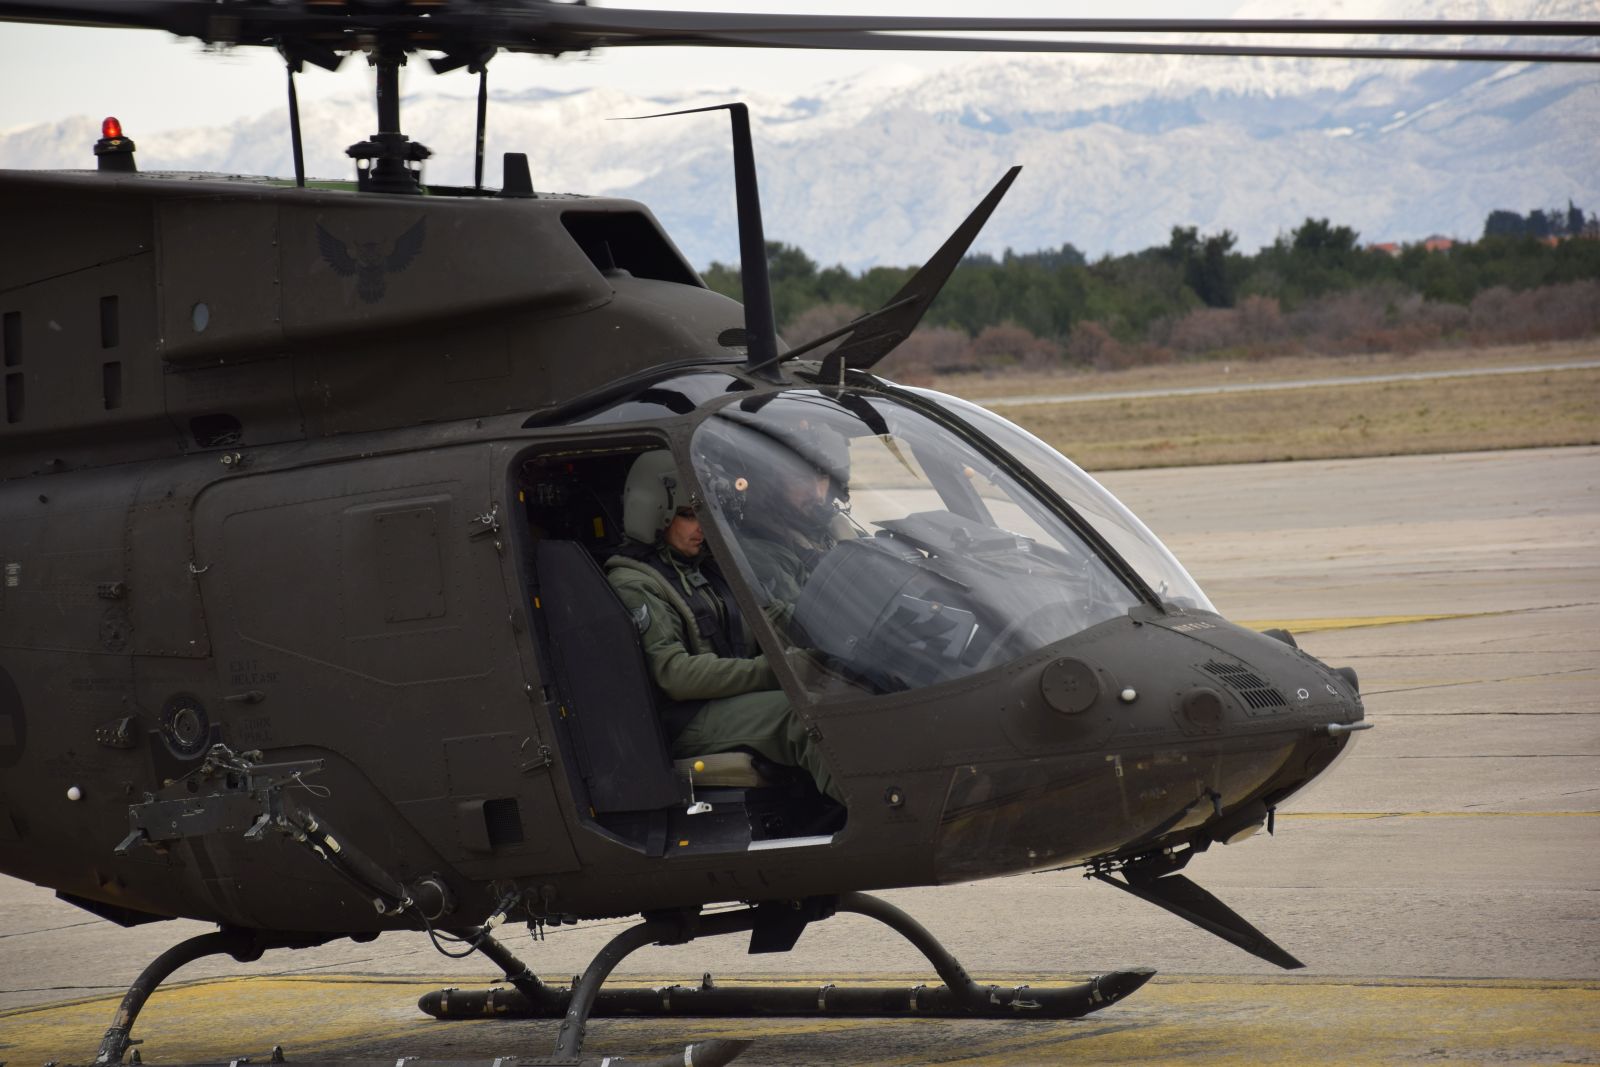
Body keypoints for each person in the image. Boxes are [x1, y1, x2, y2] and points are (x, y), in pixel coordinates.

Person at [604, 451, 842, 803]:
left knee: (846, 693)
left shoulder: (708, 565)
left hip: (732, 698)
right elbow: (675, 674)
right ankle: (877, 820)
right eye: (687, 515)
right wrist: (775, 669)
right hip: (687, 717)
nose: (700, 525)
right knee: (804, 719)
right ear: (654, 511)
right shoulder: (635, 582)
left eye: (703, 512)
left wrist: (840, 631)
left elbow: (770, 615)